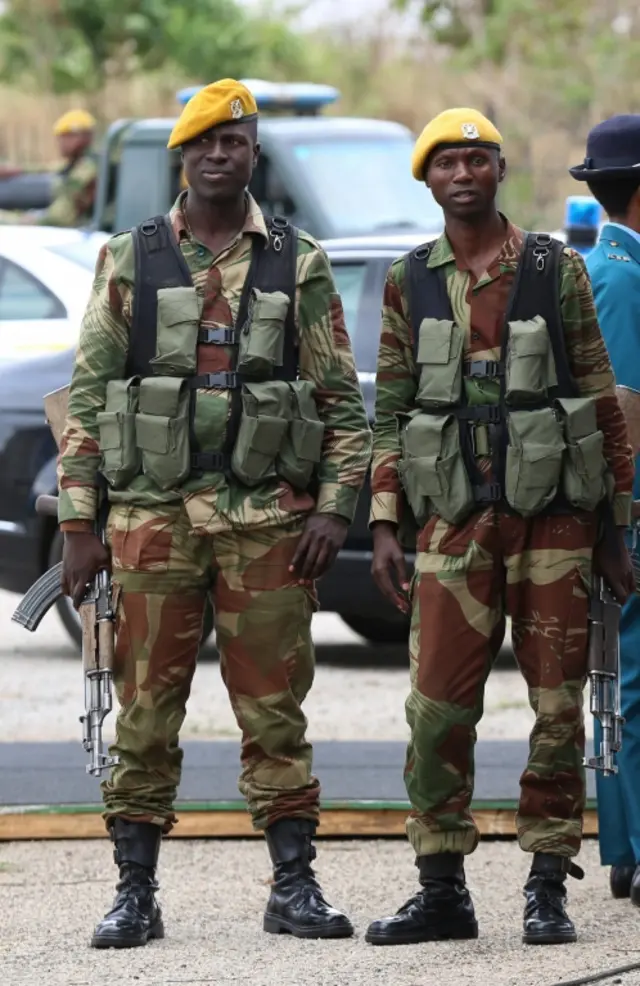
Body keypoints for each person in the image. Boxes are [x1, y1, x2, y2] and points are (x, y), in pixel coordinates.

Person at [56, 78, 371, 948]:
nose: (220, 155)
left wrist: (336, 511)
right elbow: (88, 396)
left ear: (254, 152)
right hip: (151, 519)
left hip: (268, 521)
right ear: (184, 157)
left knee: (275, 710)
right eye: (205, 144)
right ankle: (134, 892)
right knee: (146, 711)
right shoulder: (132, 255)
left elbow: (341, 399)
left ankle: (294, 886)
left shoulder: (297, 259)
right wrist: (80, 527)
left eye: (235, 142)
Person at [366, 107, 635, 947]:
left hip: (554, 523)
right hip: (451, 526)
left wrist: (616, 528)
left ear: (499, 170)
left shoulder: (556, 269)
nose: (463, 174)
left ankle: (547, 883)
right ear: (429, 180)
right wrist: (383, 522)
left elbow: (601, 396)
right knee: (437, 711)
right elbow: (395, 408)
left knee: (558, 709)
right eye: (447, 163)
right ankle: (441, 886)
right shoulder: (408, 280)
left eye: (477, 160)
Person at [570, 114, 640, 908]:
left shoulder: (620, 267)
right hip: (632, 514)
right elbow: (621, 415)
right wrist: (619, 527)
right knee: (631, 679)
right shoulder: (619, 277)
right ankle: (630, 845)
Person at [0, 108, 97, 227]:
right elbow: (48, 169)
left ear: (78, 137)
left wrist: (13, 219)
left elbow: (59, 219)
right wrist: (15, 170)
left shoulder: (85, 171)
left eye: (63, 137)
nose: (59, 143)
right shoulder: (79, 164)